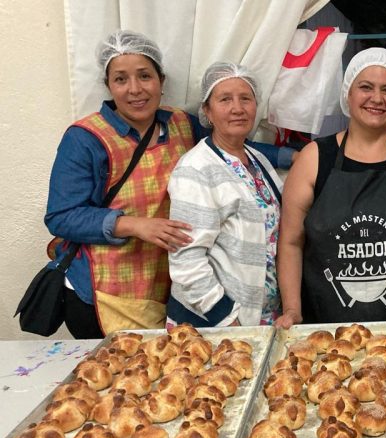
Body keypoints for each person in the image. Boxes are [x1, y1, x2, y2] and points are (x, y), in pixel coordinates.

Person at [43, 30, 294, 339]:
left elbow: (230, 141)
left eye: (145, 76)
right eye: (121, 79)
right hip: (101, 292)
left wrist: (297, 157)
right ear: (108, 86)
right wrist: (134, 225)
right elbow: (61, 216)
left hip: (164, 286)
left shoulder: (178, 123)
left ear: (161, 80)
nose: (135, 89)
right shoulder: (85, 138)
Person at [275, 47, 386, 327]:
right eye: (366, 87)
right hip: (327, 334)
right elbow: (291, 242)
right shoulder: (314, 158)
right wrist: (292, 309)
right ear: (348, 93)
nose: (377, 98)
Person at [167, 63, 283, 327]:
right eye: (225, 99)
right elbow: (186, 260)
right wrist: (227, 320)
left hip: (261, 319)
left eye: (246, 98)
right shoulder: (195, 169)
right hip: (215, 325)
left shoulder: (258, 161)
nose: (237, 108)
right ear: (207, 111)